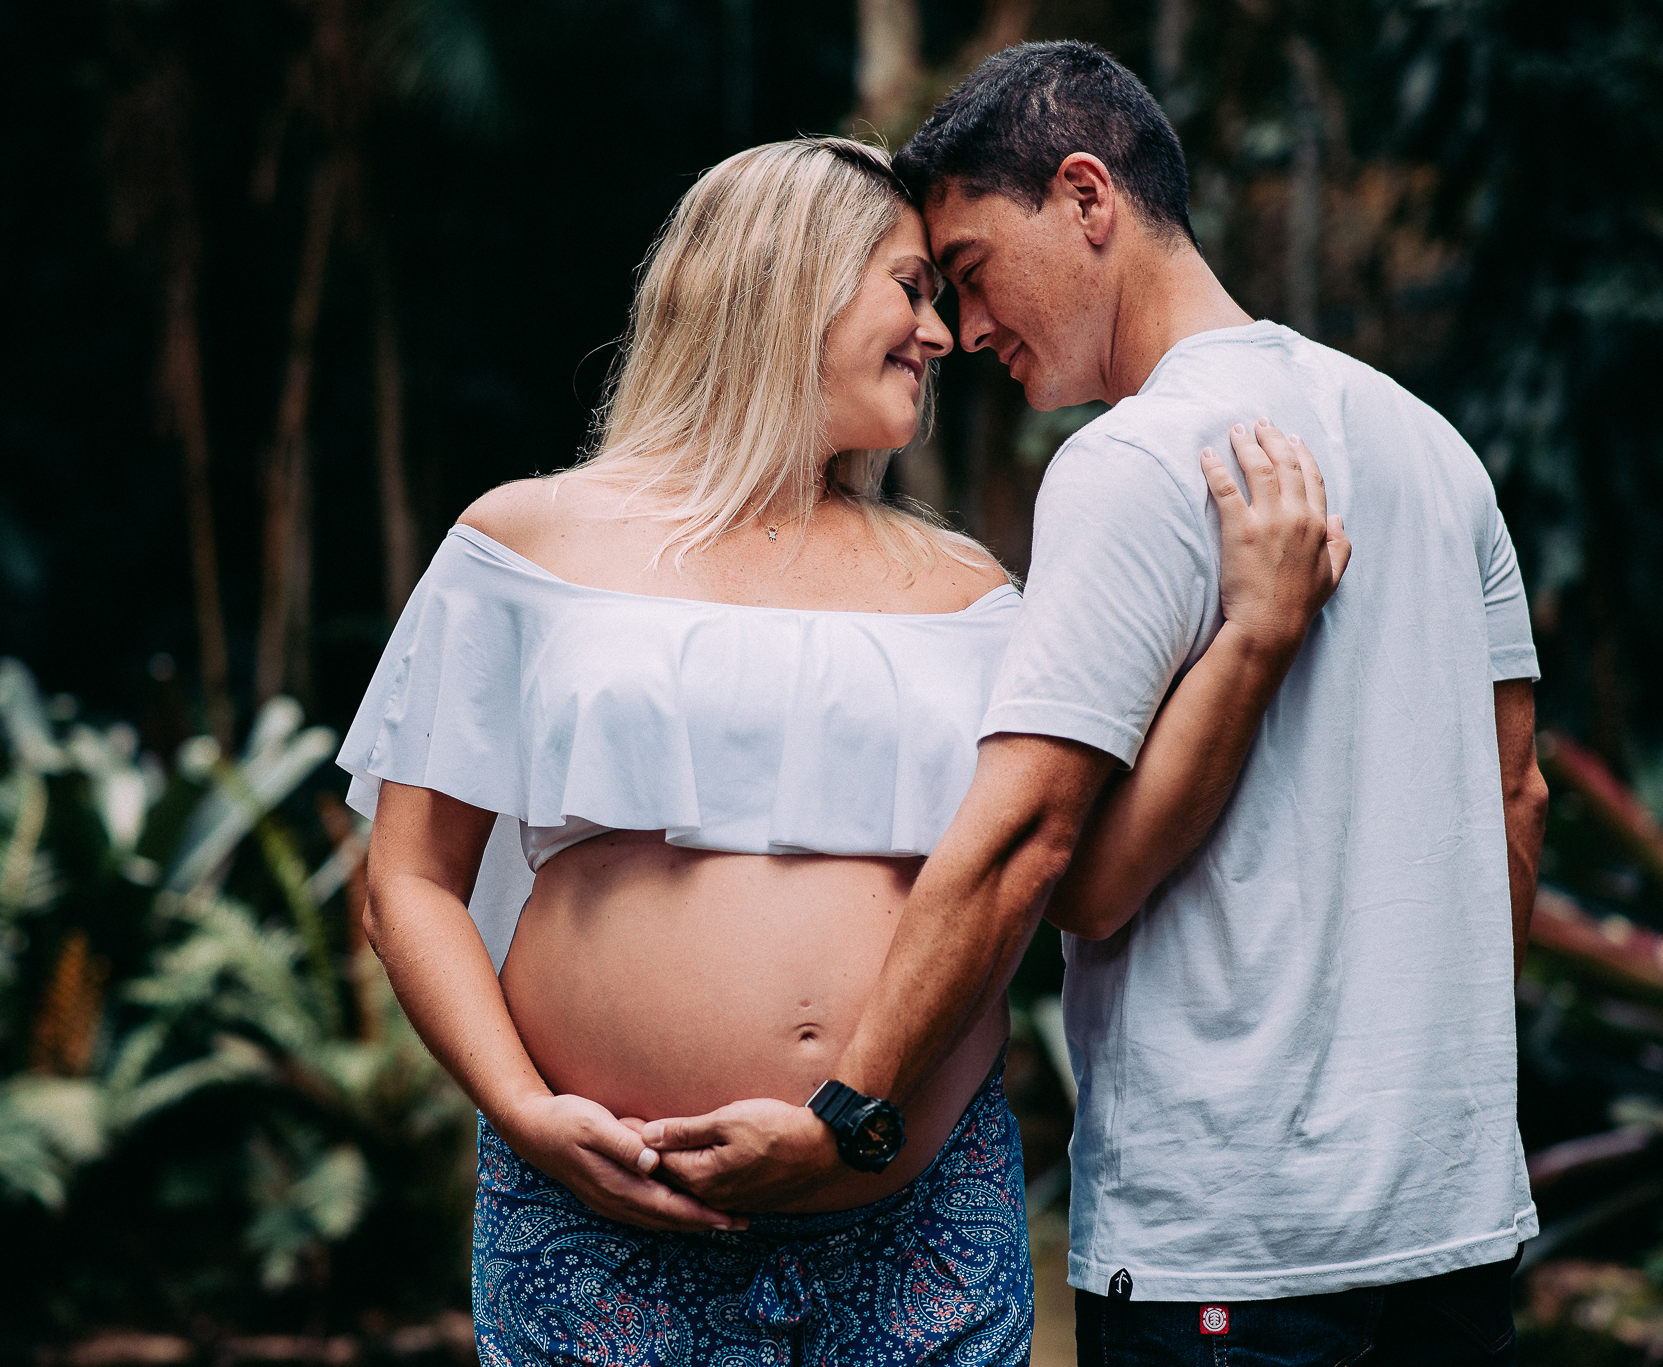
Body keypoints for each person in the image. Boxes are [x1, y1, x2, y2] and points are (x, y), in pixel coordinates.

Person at [339, 136, 1345, 1366]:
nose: (943, 332)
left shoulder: (970, 586)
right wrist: (525, 1112)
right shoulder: (521, 542)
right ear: (785, 277)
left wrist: (1253, 636)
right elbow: (410, 879)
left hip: (912, 1215)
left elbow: (1078, 863)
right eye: (912, 287)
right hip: (598, 1218)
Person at [641, 44, 1550, 1367]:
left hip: (1234, 1247)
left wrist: (852, 1114)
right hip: (1452, 1231)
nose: (961, 327)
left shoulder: (1129, 464)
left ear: (1085, 197)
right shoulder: (1432, 445)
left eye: (965, 270)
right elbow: (1514, 796)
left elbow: (1043, 852)